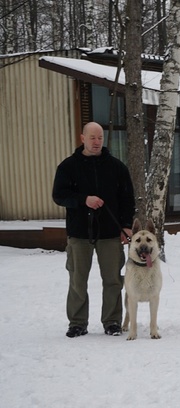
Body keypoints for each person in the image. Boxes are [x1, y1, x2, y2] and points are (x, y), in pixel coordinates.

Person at [52, 122, 136, 338]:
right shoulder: (68, 166)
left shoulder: (117, 167)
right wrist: (83, 200)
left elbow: (127, 199)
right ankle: (77, 322)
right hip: (79, 233)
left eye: (100, 137)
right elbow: (59, 195)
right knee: (77, 279)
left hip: (110, 232)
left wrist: (126, 225)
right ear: (82, 138)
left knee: (113, 280)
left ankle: (112, 322)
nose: (97, 142)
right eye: (92, 137)